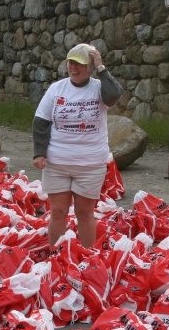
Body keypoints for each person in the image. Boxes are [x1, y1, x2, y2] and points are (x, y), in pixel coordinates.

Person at [32, 43, 124, 249]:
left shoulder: (100, 88)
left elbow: (114, 96)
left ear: (90, 67)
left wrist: (102, 69)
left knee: (84, 213)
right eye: (70, 63)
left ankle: (87, 257)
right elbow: (41, 121)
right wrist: (39, 152)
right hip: (57, 162)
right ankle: (56, 254)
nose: (74, 69)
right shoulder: (57, 89)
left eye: (80, 65)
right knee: (57, 212)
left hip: (90, 164)